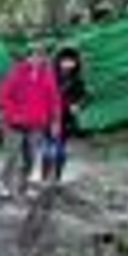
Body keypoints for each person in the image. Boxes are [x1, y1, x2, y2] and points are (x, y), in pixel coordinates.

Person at [0, 42, 63, 199]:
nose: (36, 59)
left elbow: (54, 101)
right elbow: (3, 96)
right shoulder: (17, 73)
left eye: (40, 56)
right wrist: (13, 114)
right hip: (14, 124)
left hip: (37, 124)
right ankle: (4, 184)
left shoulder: (47, 76)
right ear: (27, 57)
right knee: (12, 155)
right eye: (33, 55)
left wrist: (55, 122)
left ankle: (24, 186)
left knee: (31, 156)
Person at [43, 45, 87, 182]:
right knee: (48, 147)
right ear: (58, 61)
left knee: (61, 148)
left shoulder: (78, 80)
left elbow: (84, 97)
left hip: (66, 119)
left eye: (71, 61)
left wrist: (78, 105)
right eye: (65, 60)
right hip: (49, 117)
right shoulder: (50, 77)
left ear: (76, 63)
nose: (68, 64)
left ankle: (57, 177)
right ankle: (44, 176)